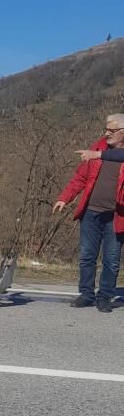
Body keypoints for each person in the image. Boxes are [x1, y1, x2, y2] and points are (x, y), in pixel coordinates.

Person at [53, 114, 124, 313]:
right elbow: (80, 178)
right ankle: (86, 294)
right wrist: (65, 198)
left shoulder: (100, 153)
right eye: (106, 129)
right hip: (91, 212)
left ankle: (105, 297)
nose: (107, 133)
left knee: (111, 260)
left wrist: (97, 155)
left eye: (111, 130)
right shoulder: (98, 147)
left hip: (116, 216)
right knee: (87, 256)